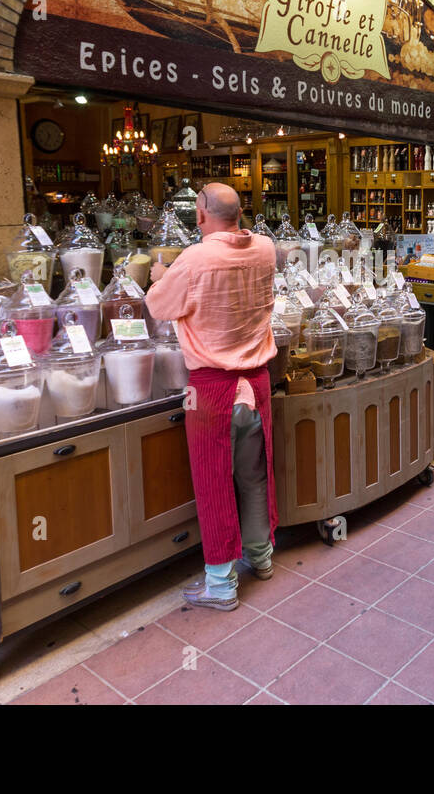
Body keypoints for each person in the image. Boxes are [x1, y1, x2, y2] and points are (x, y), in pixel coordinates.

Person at [145, 182, 277, 611]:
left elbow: (158, 306)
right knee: (254, 475)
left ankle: (220, 584)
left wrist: (161, 278)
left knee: (213, 482)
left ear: (200, 214)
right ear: (239, 213)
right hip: (256, 383)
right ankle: (261, 557)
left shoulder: (194, 259)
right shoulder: (265, 249)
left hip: (208, 390)